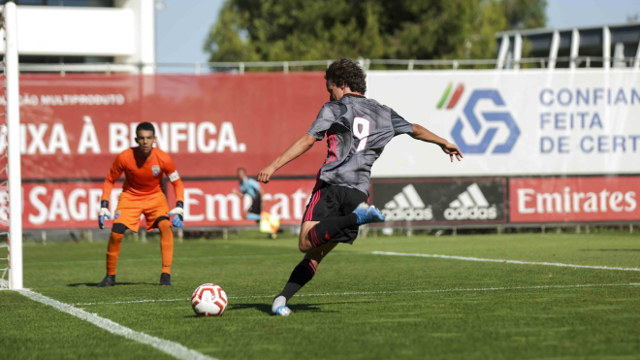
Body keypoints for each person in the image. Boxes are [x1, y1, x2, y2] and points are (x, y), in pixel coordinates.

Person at [257, 58, 462, 316]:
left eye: (330, 88)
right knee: (316, 255)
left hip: (332, 183)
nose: (329, 93)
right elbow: (415, 129)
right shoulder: (384, 112)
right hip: (358, 192)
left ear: (341, 84)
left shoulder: (334, 108)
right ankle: (281, 300)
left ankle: (356, 217)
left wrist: (273, 166)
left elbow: (309, 140)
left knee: (305, 242)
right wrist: (443, 142)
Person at [97, 122, 185, 287]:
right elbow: (110, 180)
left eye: (149, 138)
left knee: (166, 226)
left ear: (154, 139)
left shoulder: (163, 158)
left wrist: (180, 206)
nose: (145, 142)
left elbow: (177, 183)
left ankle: (166, 274)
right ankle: (110, 276)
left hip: (155, 198)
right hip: (130, 197)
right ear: (136, 139)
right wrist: (104, 205)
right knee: (116, 232)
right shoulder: (124, 157)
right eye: (142, 138)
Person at [231, 167, 279, 238]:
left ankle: (267, 218)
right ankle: (271, 233)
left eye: (241, 173)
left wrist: (262, 201)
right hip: (254, 200)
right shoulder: (241, 184)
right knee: (257, 220)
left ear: (244, 174)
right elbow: (243, 196)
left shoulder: (250, 181)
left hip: (258, 198)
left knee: (246, 215)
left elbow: (260, 190)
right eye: (239, 174)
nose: (240, 175)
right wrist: (236, 193)